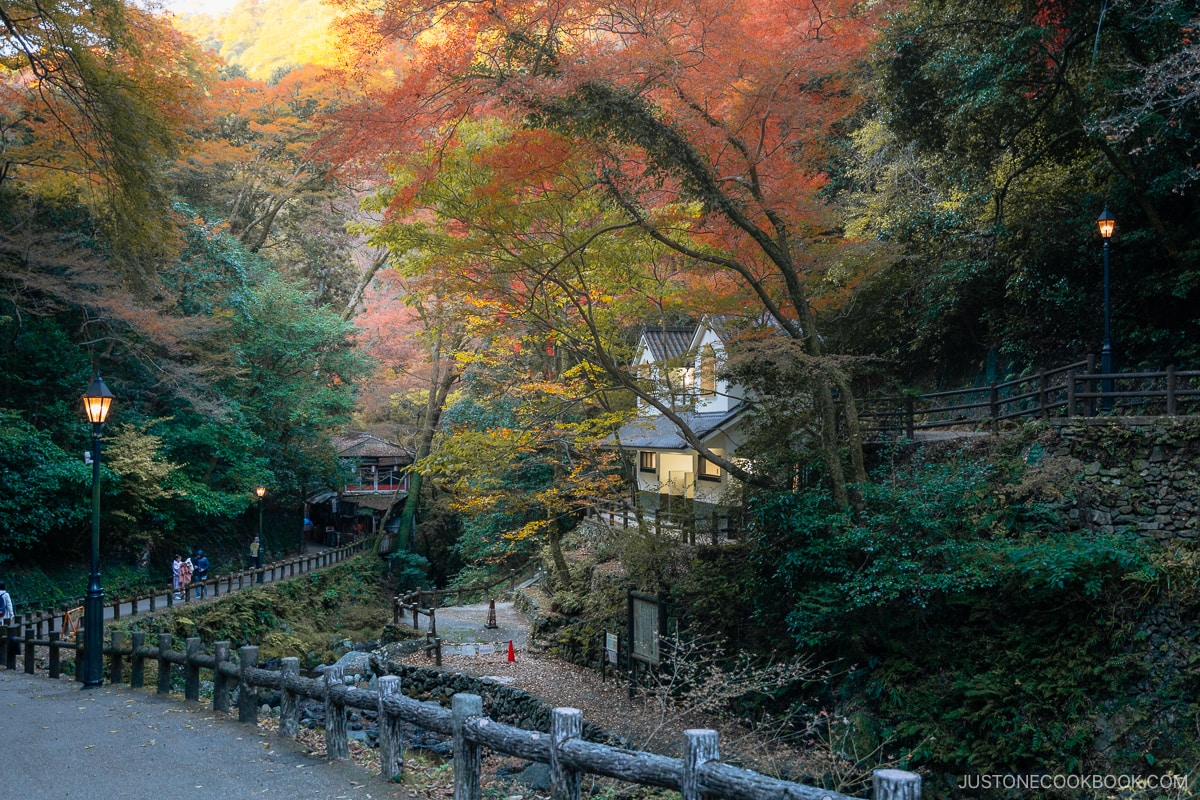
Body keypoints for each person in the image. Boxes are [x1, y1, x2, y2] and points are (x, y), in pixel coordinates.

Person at [0, 579, 17, 655]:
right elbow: (9, 605)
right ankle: (4, 644)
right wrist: (12, 614)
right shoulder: (6, 594)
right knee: (4, 628)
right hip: (4, 615)